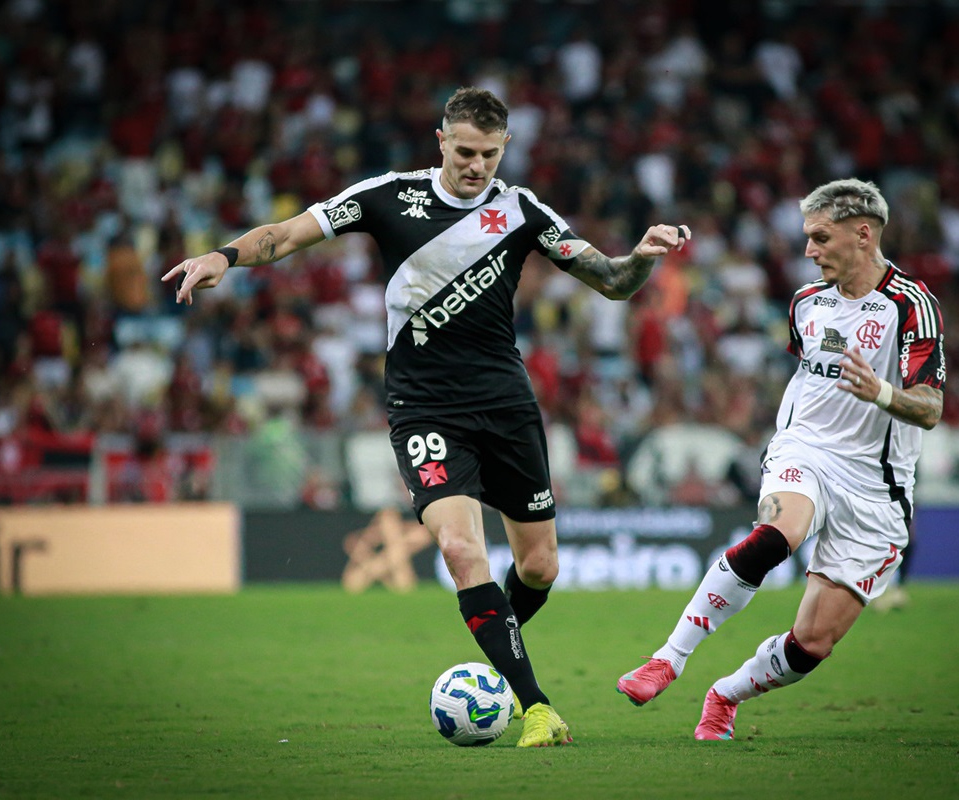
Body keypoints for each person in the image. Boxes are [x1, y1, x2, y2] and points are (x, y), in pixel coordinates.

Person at [163, 87, 691, 747]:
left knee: (541, 567)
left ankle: (498, 645)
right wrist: (223, 256)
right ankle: (535, 707)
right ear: (441, 141)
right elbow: (287, 234)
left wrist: (642, 257)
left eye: (489, 155)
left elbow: (611, 280)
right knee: (461, 549)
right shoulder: (388, 196)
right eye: (465, 151)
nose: (476, 166)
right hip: (424, 408)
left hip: (505, 405)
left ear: (505, 150)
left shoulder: (521, 210)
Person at [615, 178, 944, 740]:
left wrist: (883, 393)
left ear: (863, 234)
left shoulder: (911, 306)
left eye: (820, 238)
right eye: (807, 238)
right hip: (805, 449)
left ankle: (726, 694)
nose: (809, 251)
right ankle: (668, 658)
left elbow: (931, 406)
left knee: (813, 642)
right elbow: (818, 361)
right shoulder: (804, 303)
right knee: (778, 534)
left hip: (877, 486)